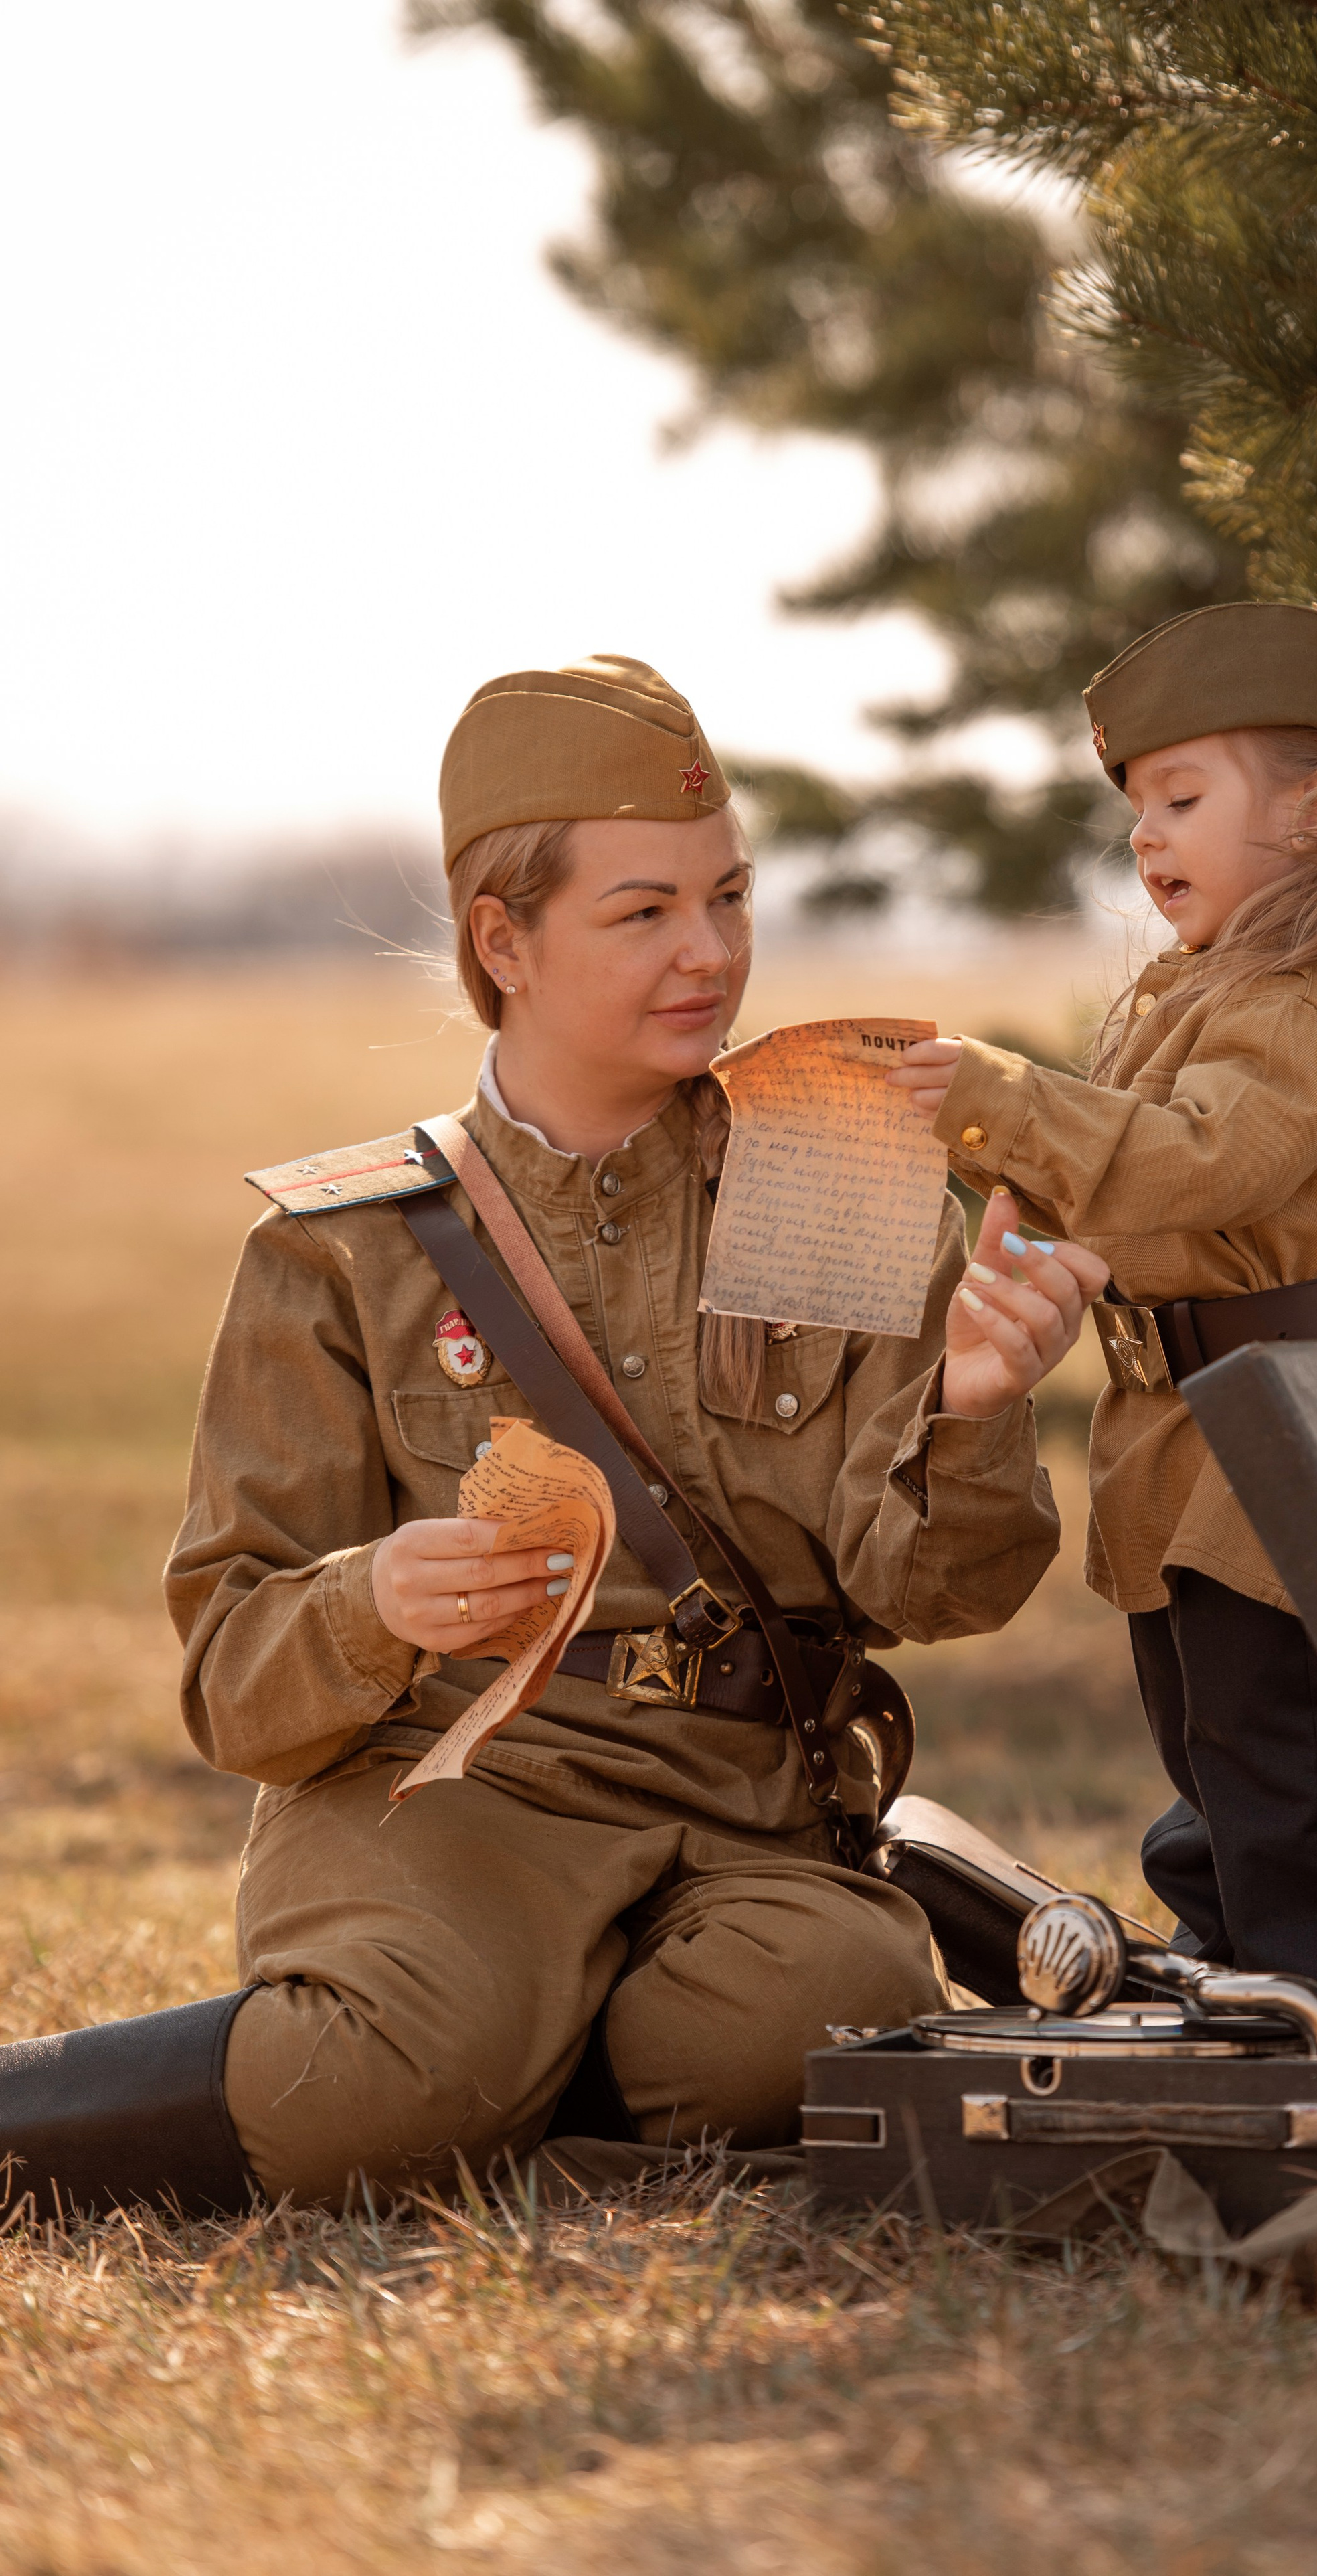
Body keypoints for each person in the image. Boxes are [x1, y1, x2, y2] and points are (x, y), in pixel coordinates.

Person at [0, 654, 1104, 2216]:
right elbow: (227, 1684)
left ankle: (489, 2052)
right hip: (449, 1798)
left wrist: (977, 1415)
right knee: (351, 2097)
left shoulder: (834, 1176)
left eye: (728, 896)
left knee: (824, 2031)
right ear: (501, 940)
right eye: (643, 911)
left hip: (744, 1809)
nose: (709, 952)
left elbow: (934, 1591)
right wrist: (371, 1600)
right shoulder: (349, 1249)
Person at [891, 603, 1317, 2023]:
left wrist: (1001, 1098)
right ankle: (1241, 1997)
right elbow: (1143, 1177)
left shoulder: (1302, 1009)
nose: (1144, 838)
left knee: (1295, 1767)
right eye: (1135, 808)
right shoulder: (1202, 991)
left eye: (1181, 799)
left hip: (1292, 1448)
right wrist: (1027, 1191)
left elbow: (1202, 1159)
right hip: (1201, 1445)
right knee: (1211, 1747)